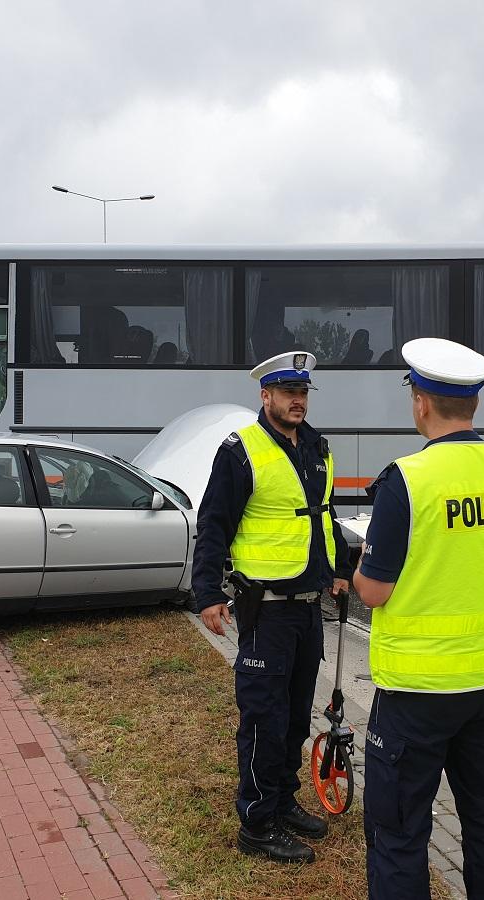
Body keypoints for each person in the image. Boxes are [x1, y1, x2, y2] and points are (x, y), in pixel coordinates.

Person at [353, 337, 484, 900]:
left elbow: (373, 591)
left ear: (420, 403)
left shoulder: (407, 480)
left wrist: (360, 561)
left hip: (419, 689)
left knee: (399, 833)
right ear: (474, 405)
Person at [193, 350, 353, 864]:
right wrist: (209, 593)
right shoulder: (241, 451)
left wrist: (341, 568)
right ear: (266, 396)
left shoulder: (317, 447)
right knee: (263, 716)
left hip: (308, 606)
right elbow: (215, 523)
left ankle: (283, 801)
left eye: (303, 393)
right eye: (288, 393)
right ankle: (257, 823)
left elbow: (322, 515)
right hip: (266, 609)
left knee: (293, 717)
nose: (297, 401)